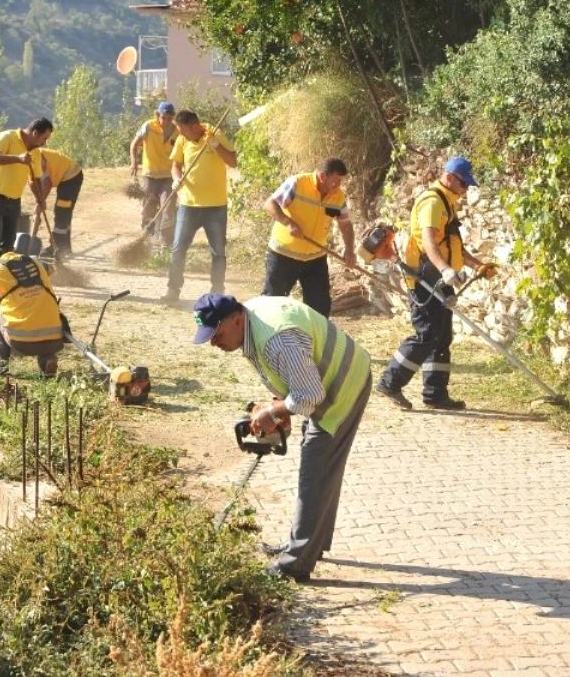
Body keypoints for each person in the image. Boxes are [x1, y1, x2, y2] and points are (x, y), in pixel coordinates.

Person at [193, 292, 371, 582]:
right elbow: (293, 376)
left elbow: (310, 395)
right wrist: (277, 405)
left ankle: (296, 564)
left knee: (315, 473)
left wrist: (273, 413)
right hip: (325, 384)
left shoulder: (277, 338)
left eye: (216, 334)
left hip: (344, 384)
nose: (214, 343)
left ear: (237, 319)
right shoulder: (250, 321)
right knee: (322, 470)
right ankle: (310, 544)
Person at [375, 157, 496, 411]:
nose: (465, 190)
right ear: (450, 177)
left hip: (440, 276)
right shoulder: (432, 203)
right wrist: (445, 269)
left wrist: (478, 266)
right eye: (463, 184)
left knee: (441, 337)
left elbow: (453, 245)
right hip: (424, 276)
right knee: (427, 334)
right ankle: (390, 382)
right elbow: (429, 242)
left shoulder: (447, 204)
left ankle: (435, 394)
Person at [262, 158, 356, 318]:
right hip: (284, 255)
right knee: (273, 303)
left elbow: (346, 226)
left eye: (341, 181)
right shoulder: (297, 183)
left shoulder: (338, 197)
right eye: (336, 181)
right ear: (322, 176)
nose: (338, 185)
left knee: (320, 309)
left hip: (315, 259)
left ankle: (315, 341)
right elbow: (270, 204)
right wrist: (288, 223)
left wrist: (349, 250)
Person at [163, 110, 237, 303]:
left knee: (218, 252)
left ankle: (217, 292)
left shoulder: (214, 133)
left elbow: (233, 161)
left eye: (183, 130)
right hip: (189, 205)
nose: (181, 134)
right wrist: (176, 179)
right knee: (178, 248)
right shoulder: (182, 141)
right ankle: (173, 290)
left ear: (194, 126)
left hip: (216, 207)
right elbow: (175, 165)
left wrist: (215, 145)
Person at [0, 244, 64, 378]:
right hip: (54, 340)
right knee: (41, 306)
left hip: (22, 343)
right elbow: (51, 270)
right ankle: (48, 359)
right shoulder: (33, 260)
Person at [0, 119, 54, 249]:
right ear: (35, 133)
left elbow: (34, 179)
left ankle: (6, 268)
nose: (44, 143)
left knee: (8, 244)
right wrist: (18, 159)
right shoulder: (7, 137)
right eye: (44, 139)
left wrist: (40, 199)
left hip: (13, 202)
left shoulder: (35, 152)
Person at [129, 101, 178, 247]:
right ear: (158, 115)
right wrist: (134, 162)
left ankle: (166, 241)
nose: (167, 121)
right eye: (164, 117)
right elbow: (134, 144)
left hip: (168, 177)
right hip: (150, 175)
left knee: (168, 206)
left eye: (170, 118)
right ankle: (146, 236)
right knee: (148, 206)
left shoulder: (177, 131)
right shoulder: (148, 127)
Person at [33, 147, 84, 256]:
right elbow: (35, 183)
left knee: (62, 212)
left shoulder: (35, 156)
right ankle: (65, 247)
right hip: (66, 177)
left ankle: (56, 247)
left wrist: (39, 204)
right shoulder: (28, 158)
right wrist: (38, 203)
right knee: (65, 212)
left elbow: (46, 183)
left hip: (71, 178)